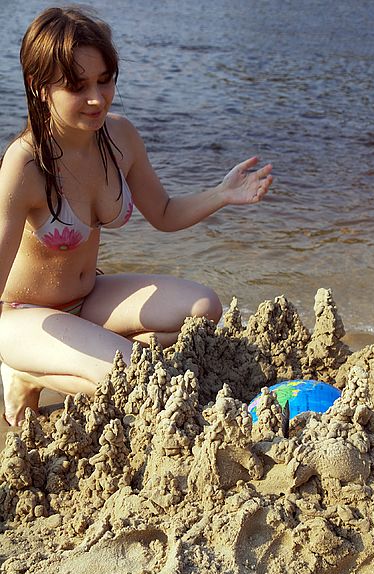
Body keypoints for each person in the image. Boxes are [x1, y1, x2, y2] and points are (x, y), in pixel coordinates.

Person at [0, 6, 273, 426]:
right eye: (78, 86)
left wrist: (222, 194)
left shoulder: (120, 136)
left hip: (89, 300)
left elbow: (163, 212)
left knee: (204, 307)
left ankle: (93, 356)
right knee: (132, 377)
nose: (97, 99)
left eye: (105, 80)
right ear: (40, 87)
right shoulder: (25, 165)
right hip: (23, 317)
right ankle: (24, 370)